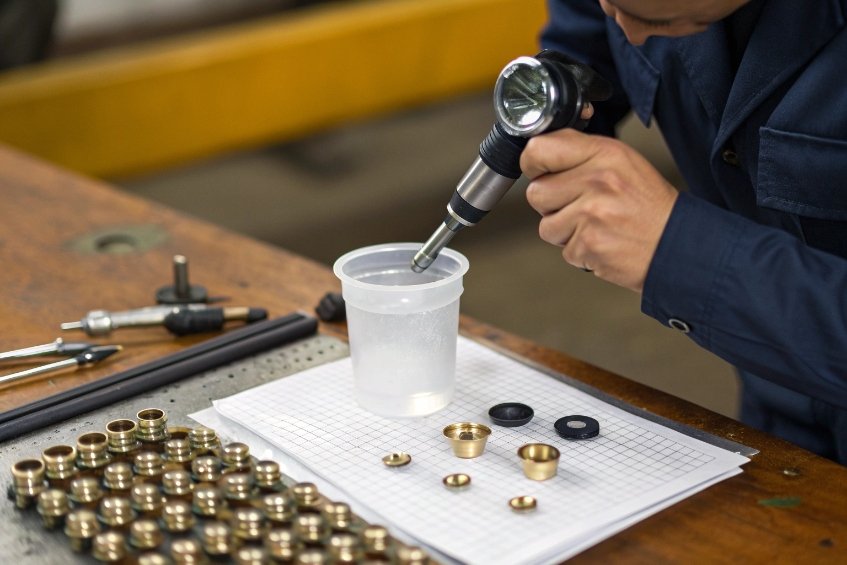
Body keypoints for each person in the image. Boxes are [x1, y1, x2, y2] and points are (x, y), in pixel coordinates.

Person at [521, 0, 847, 464]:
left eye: (657, 21)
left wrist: (678, 252)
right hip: (773, 401)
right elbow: (585, 34)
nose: (630, 32)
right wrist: (557, 94)